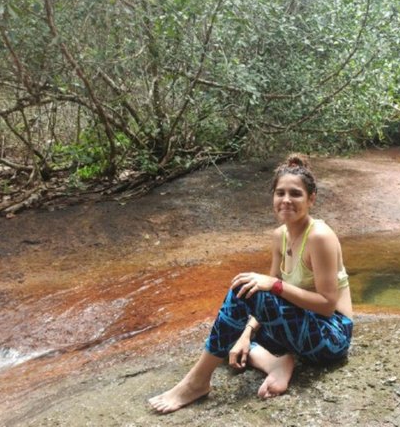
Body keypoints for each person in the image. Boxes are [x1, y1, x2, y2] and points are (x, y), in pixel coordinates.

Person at [149, 153, 353, 414]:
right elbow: (264, 300)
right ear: (273, 197)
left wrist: (275, 285)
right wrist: (245, 334)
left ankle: (197, 382)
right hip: (301, 325)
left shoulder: (320, 236)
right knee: (228, 338)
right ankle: (276, 364)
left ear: (311, 199)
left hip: (331, 334)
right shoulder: (279, 235)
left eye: (296, 194)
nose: (286, 200)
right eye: (280, 193)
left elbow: (326, 306)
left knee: (240, 296)